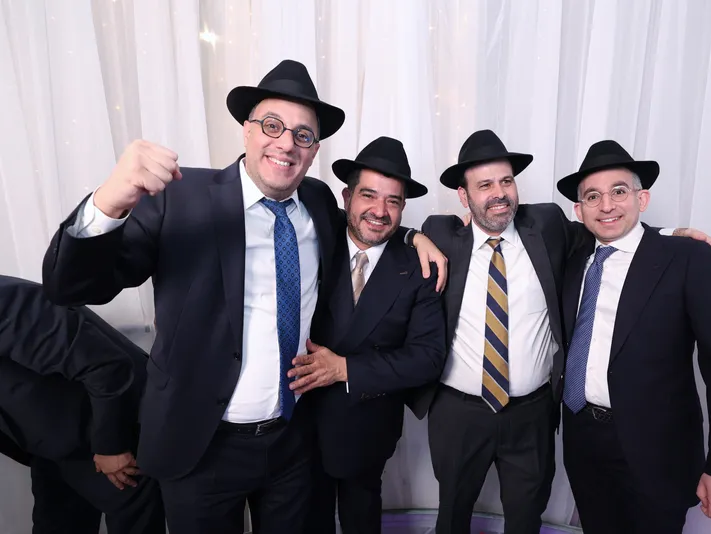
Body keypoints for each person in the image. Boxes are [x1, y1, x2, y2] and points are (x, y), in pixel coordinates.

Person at [40, 60, 445, 534]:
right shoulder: (179, 198)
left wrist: (414, 236)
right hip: (201, 446)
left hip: (293, 444)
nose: (286, 143)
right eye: (272, 125)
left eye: (303, 135)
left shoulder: (317, 202)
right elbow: (72, 288)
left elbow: (368, 225)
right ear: (247, 130)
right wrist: (108, 203)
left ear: (313, 151)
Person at [408, 129, 711, 534]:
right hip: (458, 412)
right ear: (463, 195)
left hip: (531, 413)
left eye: (506, 181)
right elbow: (386, 233)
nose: (499, 193)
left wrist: (672, 234)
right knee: (452, 514)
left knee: (526, 516)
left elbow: (613, 229)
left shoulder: (547, 225)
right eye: (484, 185)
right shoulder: (439, 233)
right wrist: (411, 235)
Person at [555, 140, 711, 533]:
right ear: (579, 211)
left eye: (619, 191)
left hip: (658, 451)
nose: (607, 205)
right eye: (593, 197)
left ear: (642, 198)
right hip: (583, 441)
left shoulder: (688, 259)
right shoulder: (572, 258)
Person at [296, 136, 446, 534]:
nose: (379, 211)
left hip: (366, 429)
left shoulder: (419, 268)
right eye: (368, 195)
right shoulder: (313, 238)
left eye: (393, 201)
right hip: (296, 424)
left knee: (361, 519)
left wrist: (345, 369)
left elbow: (428, 358)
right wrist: (413, 233)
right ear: (346, 197)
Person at [0, 275, 164, 534]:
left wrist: (111, 446)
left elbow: (106, 366)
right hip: (49, 445)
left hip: (109, 427)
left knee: (133, 523)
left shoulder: (4, 301)